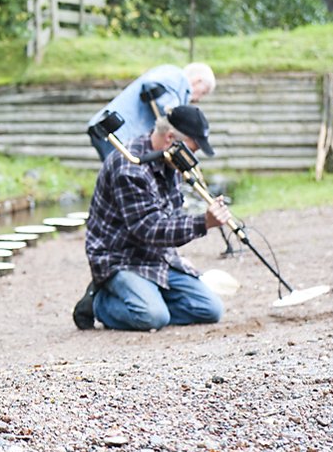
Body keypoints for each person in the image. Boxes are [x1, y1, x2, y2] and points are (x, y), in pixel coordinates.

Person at [73, 105, 232, 331]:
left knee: (210, 309)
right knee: (153, 317)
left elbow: (172, 216)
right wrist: (203, 222)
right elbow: (149, 228)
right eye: (192, 150)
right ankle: (100, 303)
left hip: (156, 257)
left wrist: (176, 258)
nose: (193, 158)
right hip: (120, 259)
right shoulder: (130, 166)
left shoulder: (171, 162)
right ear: (170, 138)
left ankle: (146, 296)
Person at [87, 63, 216, 161]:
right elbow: (152, 83)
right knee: (120, 173)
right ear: (198, 80)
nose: (199, 99)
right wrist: (173, 111)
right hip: (115, 131)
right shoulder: (177, 76)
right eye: (203, 92)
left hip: (117, 133)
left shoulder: (176, 85)